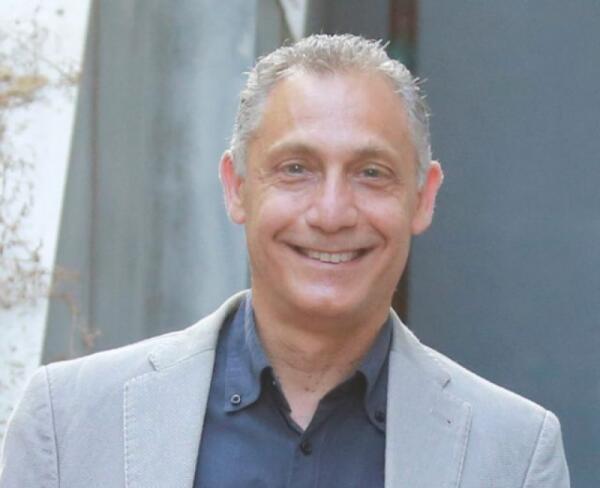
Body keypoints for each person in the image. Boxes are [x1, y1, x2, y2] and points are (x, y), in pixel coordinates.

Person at [0, 34, 569, 487]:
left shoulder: (515, 456)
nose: (331, 213)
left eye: (371, 172)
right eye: (296, 168)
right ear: (236, 187)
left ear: (422, 198)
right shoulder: (67, 425)